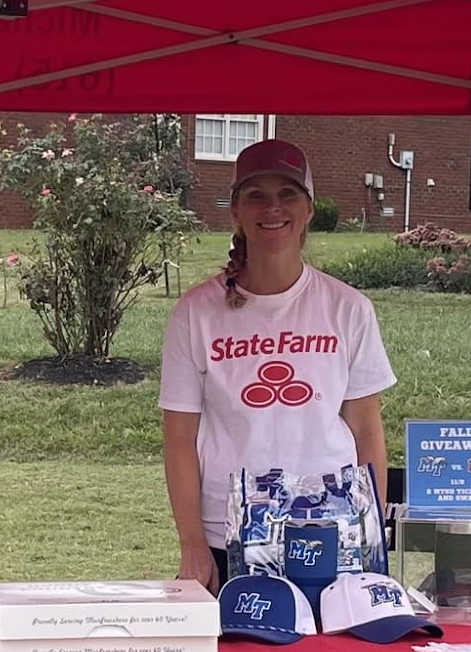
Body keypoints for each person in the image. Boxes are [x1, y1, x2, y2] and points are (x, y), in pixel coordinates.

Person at [159, 137, 395, 594]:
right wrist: (192, 543)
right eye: (256, 196)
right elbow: (179, 438)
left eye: (287, 194)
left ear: (308, 210)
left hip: (333, 530)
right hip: (230, 535)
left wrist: (372, 535)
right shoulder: (196, 312)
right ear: (236, 211)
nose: (273, 208)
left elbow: (367, 430)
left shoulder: (348, 308)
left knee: (329, 645)